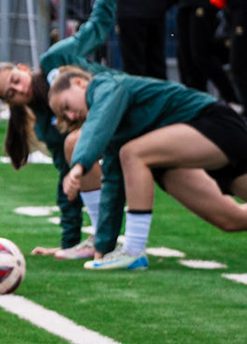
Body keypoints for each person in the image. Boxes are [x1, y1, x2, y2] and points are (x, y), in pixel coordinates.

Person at [0, 0, 124, 260]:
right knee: (76, 151)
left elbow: (98, 26)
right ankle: (98, 241)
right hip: (120, 147)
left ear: (21, 67)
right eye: (11, 92)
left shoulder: (56, 59)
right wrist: (66, 244)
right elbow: (68, 186)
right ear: (11, 103)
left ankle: (109, 239)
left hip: (128, 110)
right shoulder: (49, 126)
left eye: (15, 79)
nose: (19, 88)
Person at [53, 66, 247, 264]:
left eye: (66, 106)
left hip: (215, 124)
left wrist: (78, 166)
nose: (70, 116)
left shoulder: (105, 84)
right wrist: (103, 250)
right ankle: (120, 252)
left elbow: (97, 124)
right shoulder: (116, 130)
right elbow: (112, 186)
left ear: (79, 82)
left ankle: (133, 251)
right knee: (230, 220)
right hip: (191, 148)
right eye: (63, 115)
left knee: (132, 153)